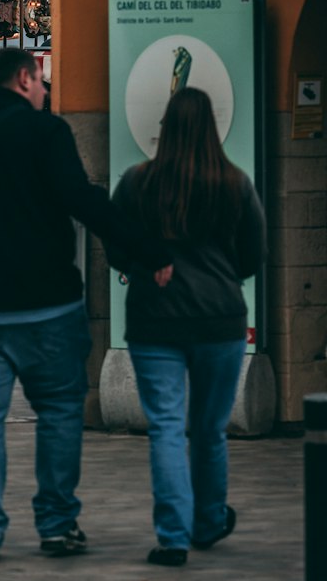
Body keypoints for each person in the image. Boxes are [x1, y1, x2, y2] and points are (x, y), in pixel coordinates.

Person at [0, 48, 172, 565]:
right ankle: (56, 524)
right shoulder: (45, 133)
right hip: (45, 304)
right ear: (26, 79)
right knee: (58, 413)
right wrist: (148, 252)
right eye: (42, 81)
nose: (46, 91)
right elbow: (84, 200)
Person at [106, 87, 266, 568]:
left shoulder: (138, 182)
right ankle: (209, 521)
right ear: (212, 129)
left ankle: (172, 537)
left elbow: (115, 247)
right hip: (220, 321)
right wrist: (221, 278)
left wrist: (141, 264)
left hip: (156, 322)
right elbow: (252, 255)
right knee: (210, 431)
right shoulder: (235, 183)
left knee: (167, 430)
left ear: (167, 128)